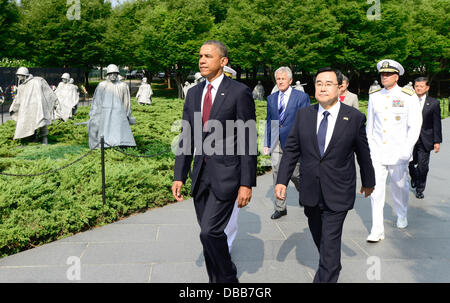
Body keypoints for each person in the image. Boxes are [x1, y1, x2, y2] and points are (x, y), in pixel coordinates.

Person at [275, 67, 375, 283]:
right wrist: (282, 180)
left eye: (328, 83)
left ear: (340, 88)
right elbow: (292, 149)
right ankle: (331, 263)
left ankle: (328, 272)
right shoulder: (304, 115)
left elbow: (363, 152)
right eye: (319, 83)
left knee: (329, 242)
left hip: (338, 190)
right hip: (310, 189)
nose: (322, 87)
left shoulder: (354, 117)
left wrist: (369, 180)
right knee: (319, 236)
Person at [172, 40, 257, 283]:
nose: (202, 60)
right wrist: (179, 175)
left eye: (208, 56)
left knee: (210, 232)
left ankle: (229, 278)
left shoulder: (239, 92)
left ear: (223, 61)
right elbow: (186, 136)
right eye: (200, 56)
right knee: (207, 235)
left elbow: (248, 139)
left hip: (228, 175)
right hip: (200, 176)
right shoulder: (194, 93)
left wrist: (246, 183)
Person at [366, 59, 422, 242]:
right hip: (378, 152)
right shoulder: (374, 95)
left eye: (388, 74)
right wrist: (370, 148)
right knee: (375, 190)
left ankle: (401, 213)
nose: (384, 76)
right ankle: (376, 229)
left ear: (396, 77)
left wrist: (407, 150)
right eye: (382, 74)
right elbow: (370, 125)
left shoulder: (408, 96)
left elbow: (414, 125)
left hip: (398, 152)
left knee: (399, 186)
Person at [264, 66, 310, 220]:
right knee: (277, 173)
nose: (280, 81)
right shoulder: (271, 98)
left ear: (290, 80)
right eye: (278, 79)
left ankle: (304, 193)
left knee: (296, 174)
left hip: (294, 142)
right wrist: (266, 142)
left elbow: (305, 121)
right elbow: (269, 121)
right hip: (276, 142)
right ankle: (280, 207)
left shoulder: (301, 97)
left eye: (283, 79)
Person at [88, 64, 136, 149]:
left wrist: (127, 114)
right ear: (108, 74)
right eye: (111, 73)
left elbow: (126, 101)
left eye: (115, 73)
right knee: (105, 129)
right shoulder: (102, 85)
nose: (113, 75)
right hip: (105, 112)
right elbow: (97, 100)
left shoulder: (123, 85)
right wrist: (94, 112)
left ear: (117, 74)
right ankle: (105, 144)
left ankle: (119, 143)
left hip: (119, 112)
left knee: (118, 129)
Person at [408, 77, 442, 199]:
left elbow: (436, 123)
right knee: (410, 163)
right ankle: (414, 176)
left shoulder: (434, 103)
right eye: (416, 86)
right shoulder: (407, 101)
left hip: (425, 138)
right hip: (410, 139)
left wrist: (437, 141)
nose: (418, 88)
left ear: (427, 88)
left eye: (421, 86)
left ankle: (420, 188)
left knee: (423, 166)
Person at [9, 67, 57, 144]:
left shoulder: (36, 81)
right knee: (24, 122)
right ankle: (30, 138)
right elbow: (18, 99)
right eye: (17, 75)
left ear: (24, 75)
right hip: (26, 108)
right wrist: (13, 107)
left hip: (37, 106)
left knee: (41, 121)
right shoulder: (21, 86)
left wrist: (53, 100)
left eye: (19, 75)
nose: (18, 77)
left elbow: (47, 91)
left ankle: (45, 139)